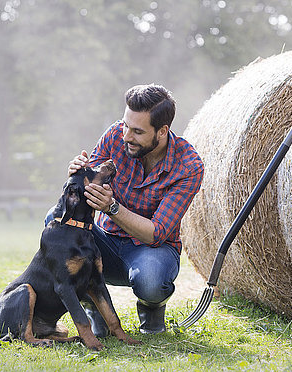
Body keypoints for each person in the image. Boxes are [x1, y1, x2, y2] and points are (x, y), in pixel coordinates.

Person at [64, 84, 204, 335]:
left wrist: (112, 207)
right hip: (105, 243)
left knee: (150, 282)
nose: (127, 136)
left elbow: (156, 233)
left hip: (152, 250)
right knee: (57, 223)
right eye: (126, 125)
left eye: (138, 131)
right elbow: (89, 187)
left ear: (162, 131)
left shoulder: (189, 165)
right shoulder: (116, 135)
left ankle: (151, 308)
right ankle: (94, 307)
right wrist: (78, 175)